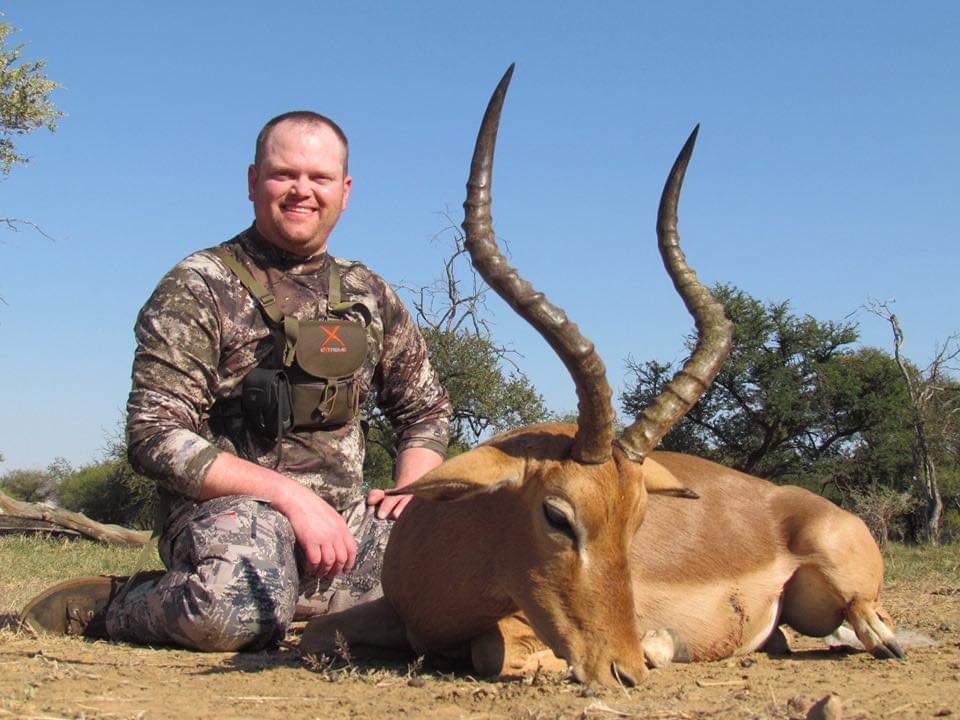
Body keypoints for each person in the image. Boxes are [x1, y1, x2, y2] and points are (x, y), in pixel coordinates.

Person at [22, 112, 452, 650]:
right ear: (253, 182)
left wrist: (412, 494)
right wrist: (291, 498)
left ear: (345, 192)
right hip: (232, 516)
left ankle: (301, 604)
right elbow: (153, 434)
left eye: (319, 178)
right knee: (233, 611)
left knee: (469, 573)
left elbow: (425, 411)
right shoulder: (198, 285)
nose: (302, 191)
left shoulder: (370, 293)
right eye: (284, 174)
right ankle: (116, 606)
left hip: (345, 527)